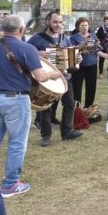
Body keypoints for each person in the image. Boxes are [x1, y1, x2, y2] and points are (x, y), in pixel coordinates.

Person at [0, 14, 61, 197]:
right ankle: (10, 185)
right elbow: (40, 76)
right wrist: (54, 74)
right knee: (17, 142)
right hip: (16, 99)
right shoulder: (27, 49)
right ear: (21, 30)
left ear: (2, 28)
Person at [27, 12, 83, 146]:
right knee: (46, 107)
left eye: (60, 22)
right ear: (48, 22)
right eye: (55, 22)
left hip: (64, 77)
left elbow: (69, 58)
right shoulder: (37, 39)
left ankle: (67, 131)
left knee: (69, 104)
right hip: (47, 79)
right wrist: (37, 53)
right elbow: (25, 52)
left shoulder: (65, 38)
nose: (58, 25)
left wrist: (77, 59)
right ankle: (46, 135)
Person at [70, 17, 100, 108]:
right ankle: (77, 109)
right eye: (82, 25)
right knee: (77, 88)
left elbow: (97, 47)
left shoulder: (93, 35)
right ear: (78, 27)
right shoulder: (74, 37)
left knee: (91, 88)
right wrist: (84, 43)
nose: (84, 27)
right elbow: (72, 50)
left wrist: (98, 44)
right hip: (79, 66)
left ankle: (88, 108)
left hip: (92, 65)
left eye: (86, 25)